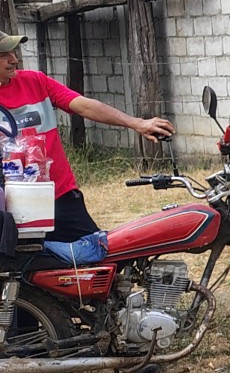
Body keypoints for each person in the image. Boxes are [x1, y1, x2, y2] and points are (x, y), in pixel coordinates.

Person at [0, 33, 174, 241]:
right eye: (4, 55)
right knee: (23, 261)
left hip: (60, 196)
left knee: (97, 252)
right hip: (9, 206)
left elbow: (84, 106)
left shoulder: (35, 81)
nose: (14, 60)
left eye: (13, 52)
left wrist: (136, 123)